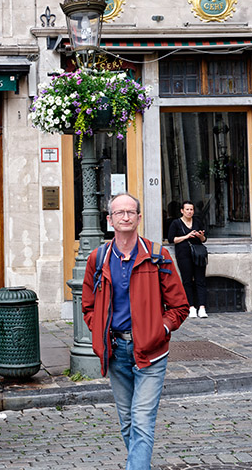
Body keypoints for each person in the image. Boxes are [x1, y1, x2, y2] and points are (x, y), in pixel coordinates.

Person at [82, 193, 189, 470]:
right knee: (128, 421)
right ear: (110, 220)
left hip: (151, 352)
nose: (126, 217)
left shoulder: (157, 256)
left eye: (131, 212)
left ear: (139, 218)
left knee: (141, 421)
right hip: (116, 351)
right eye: (119, 213)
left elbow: (179, 306)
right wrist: (99, 330)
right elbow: (88, 305)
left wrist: (159, 329)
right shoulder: (99, 257)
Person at [167, 200, 208, 319]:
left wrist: (201, 236)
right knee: (187, 281)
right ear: (182, 211)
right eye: (187, 210)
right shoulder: (176, 223)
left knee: (200, 280)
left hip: (198, 255)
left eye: (191, 209)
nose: (190, 212)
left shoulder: (197, 222)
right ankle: (191, 307)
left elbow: (204, 239)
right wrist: (186, 236)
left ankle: (202, 307)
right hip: (183, 255)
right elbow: (171, 239)